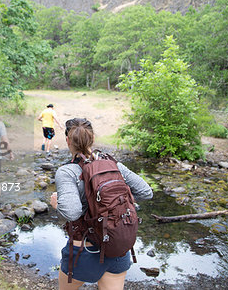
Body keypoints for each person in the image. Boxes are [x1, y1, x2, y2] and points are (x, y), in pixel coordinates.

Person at [50, 118, 153, 290]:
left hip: (84, 251)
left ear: (68, 141)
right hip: (117, 246)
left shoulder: (67, 171)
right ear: (92, 139)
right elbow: (146, 192)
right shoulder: (114, 165)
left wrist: (56, 204)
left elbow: (73, 213)